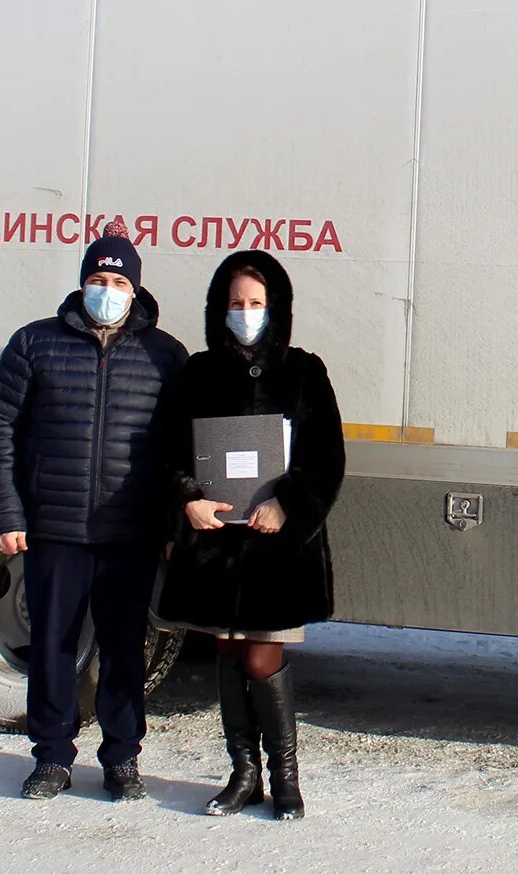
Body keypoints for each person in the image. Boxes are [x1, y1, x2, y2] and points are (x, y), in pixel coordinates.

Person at [0, 224, 187, 802]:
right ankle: (51, 757)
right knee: (52, 645)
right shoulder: (34, 344)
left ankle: (122, 759)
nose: (107, 289)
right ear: (81, 284)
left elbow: (179, 449)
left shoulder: (164, 355)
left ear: (136, 290)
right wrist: (6, 511)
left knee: (124, 650)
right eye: (98, 278)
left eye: (119, 280)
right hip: (55, 528)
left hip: (130, 534)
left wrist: (171, 526)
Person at [158, 250, 345, 821]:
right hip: (217, 548)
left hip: (278, 553)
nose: (246, 312)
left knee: (263, 658)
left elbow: (327, 459)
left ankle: (286, 777)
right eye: (236, 303)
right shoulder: (198, 372)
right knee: (228, 655)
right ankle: (243, 775)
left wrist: (286, 505)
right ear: (220, 308)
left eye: (256, 303)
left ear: (277, 308)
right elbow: (167, 452)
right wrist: (187, 500)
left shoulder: (305, 371)